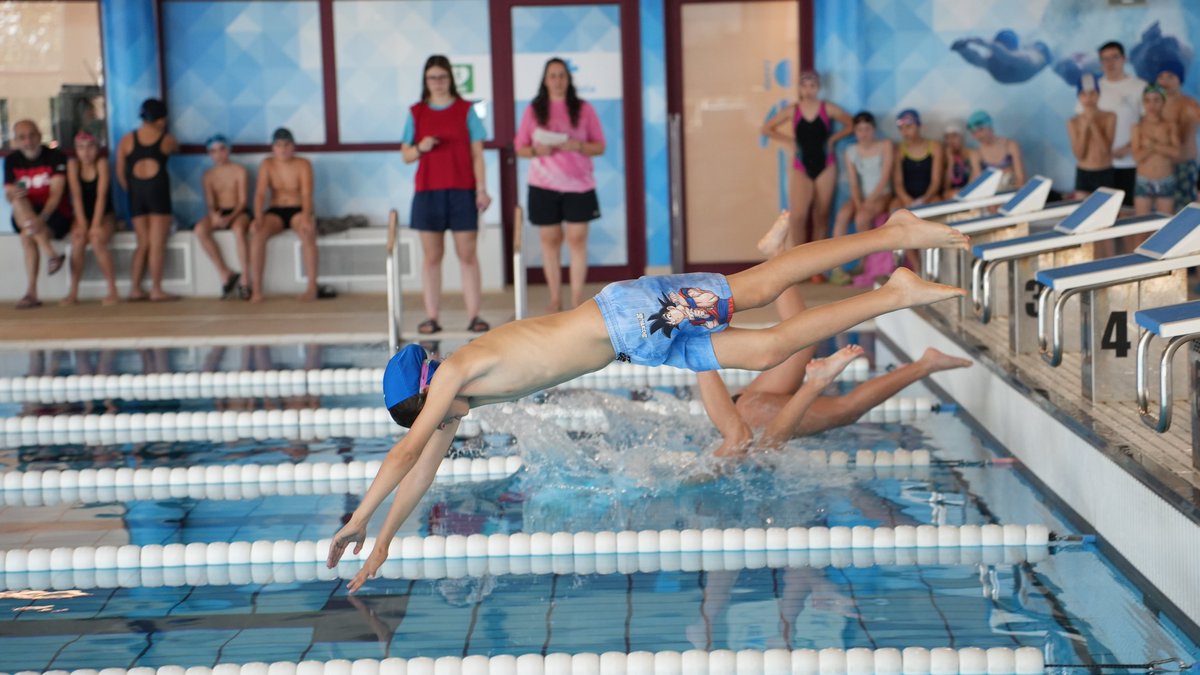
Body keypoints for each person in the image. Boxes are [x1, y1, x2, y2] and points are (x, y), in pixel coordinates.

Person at [325, 209, 971, 591]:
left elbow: (407, 451)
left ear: (423, 388)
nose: (441, 424)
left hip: (633, 314)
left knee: (763, 283)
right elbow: (423, 466)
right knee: (770, 349)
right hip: (639, 343)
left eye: (426, 413)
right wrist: (383, 543)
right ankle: (894, 293)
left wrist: (357, 518)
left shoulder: (455, 372)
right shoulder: (456, 393)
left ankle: (892, 234)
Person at [697, 229, 971, 457]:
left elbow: (752, 444)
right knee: (797, 341)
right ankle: (775, 253)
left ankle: (926, 363)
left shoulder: (723, 463)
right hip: (743, 405)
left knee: (845, 409)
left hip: (752, 419)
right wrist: (696, 337)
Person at [403, 54, 492, 334]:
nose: (438, 83)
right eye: (433, 78)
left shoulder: (467, 110)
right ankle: (432, 317)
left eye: (442, 77)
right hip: (428, 191)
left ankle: (474, 315)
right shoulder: (416, 112)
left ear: (450, 79)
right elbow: (406, 154)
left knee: (467, 255)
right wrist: (421, 147)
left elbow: (478, 154)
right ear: (425, 81)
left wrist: (481, 188)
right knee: (432, 257)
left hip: (462, 190)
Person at [514, 57, 606, 313]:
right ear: (545, 80)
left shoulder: (584, 109)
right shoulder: (534, 110)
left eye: (562, 75)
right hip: (543, 185)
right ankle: (555, 298)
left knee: (577, 240)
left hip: (579, 185)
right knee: (550, 241)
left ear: (569, 78)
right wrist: (536, 149)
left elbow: (599, 146)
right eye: (552, 75)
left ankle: (577, 298)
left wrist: (578, 145)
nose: (557, 80)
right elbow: (520, 148)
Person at [761, 71, 853, 257]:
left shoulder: (827, 108)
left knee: (821, 215)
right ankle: (798, 260)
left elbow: (851, 124)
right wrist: (789, 141)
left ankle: (817, 265)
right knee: (798, 216)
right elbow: (766, 128)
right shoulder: (792, 110)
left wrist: (833, 138)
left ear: (818, 87)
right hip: (801, 165)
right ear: (799, 88)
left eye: (813, 86)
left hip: (826, 164)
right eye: (805, 86)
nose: (809, 90)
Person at [250, 127, 323, 303]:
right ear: (273, 148)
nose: (283, 149)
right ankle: (257, 290)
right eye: (279, 145)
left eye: (287, 144)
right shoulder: (267, 164)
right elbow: (260, 194)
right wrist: (258, 217)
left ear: (293, 146)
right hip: (275, 210)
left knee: (307, 232)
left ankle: (312, 287)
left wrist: (306, 216)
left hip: (298, 208)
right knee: (257, 234)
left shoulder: (303, 164)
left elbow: (306, 194)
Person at [4, 119, 71, 309]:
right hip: (25, 213)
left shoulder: (55, 156)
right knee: (18, 199)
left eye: (31, 135)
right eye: (22, 137)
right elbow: (9, 195)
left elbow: (56, 194)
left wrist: (41, 220)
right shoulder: (12, 160)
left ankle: (31, 293)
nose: (28, 141)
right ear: (16, 141)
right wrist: (13, 195)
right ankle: (51, 254)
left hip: (53, 215)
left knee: (27, 235)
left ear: (40, 136)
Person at [116, 98, 178, 302]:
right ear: (160, 119)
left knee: (142, 242)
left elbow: (120, 172)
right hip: (157, 190)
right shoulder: (166, 139)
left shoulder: (126, 140)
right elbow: (175, 148)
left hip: (136, 192)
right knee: (157, 243)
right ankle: (156, 289)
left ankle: (134, 288)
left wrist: (132, 191)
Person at [827, 112, 892, 284]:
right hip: (861, 196)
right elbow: (854, 183)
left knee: (862, 218)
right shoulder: (851, 151)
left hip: (882, 194)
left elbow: (885, 177)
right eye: (860, 129)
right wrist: (859, 203)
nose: (864, 133)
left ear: (874, 130)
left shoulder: (885, 145)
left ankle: (864, 263)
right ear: (855, 131)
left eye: (867, 129)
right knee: (842, 215)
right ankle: (836, 267)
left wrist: (869, 202)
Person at [64, 131, 118, 305]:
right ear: (76, 151)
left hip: (104, 215)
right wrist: (82, 224)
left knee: (96, 239)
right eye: (81, 148)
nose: (85, 152)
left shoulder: (102, 163)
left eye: (89, 147)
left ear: (96, 149)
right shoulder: (73, 165)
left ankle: (112, 290)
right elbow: (76, 196)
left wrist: (94, 225)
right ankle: (73, 291)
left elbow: (101, 196)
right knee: (78, 240)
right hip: (82, 215)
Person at [193, 134, 251, 299]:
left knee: (239, 230)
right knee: (200, 229)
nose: (218, 154)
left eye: (221, 149)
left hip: (238, 211)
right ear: (210, 154)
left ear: (228, 150)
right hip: (220, 212)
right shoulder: (208, 175)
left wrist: (231, 217)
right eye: (213, 151)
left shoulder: (239, 171)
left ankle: (245, 279)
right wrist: (214, 215)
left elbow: (243, 201)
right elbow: (210, 203)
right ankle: (225, 273)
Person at [1094, 41, 1147, 206]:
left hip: (1131, 162)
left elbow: (1148, 124)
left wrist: (1129, 147)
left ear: (1124, 59)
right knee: (1101, 214)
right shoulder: (1094, 89)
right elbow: (1086, 122)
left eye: (1114, 57)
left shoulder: (1140, 86)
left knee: (1129, 215)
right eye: (1105, 59)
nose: (1110, 63)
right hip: (1101, 164)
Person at [1157, 60, 1200, 210]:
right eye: (1161, 76)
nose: (1165, 81)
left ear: (1179, 79)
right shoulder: (1154, 105)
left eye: (1170, 76)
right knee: (1162, 217)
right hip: (1161, 168)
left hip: (1184, 167)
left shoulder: (1188, 104)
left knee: (1185, 214)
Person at [1132, 84, 1181, 216]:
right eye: (1147, 100)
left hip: (1165, 179)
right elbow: (1137, 157)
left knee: (1164, 227)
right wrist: (1161, 147)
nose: (1151, 105)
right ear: (1143, 103)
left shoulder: (1170, 125)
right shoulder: (1138, 127)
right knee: (1140, 228)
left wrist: (1152, 145)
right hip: (1144, 181)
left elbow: (1177, 153)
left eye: (1156, 100)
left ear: (1163, 102)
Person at [1067, 73, 1116, 200]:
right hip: (1084, 172)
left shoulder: (1110, 117)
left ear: (1098, 95)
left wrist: (1093, 124)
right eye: (1084, 94)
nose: (1088, 98)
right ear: (1079, 96)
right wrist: (1084, 128)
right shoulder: (1073, 122)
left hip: (1104, 171)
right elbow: (1079, 155)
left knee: (1107, 215)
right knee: (1082, 216)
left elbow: (1106, 151)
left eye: (1092, 93)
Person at [890, 109, 942, 210]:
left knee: (937, 205)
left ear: (919, 126)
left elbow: (936, 181)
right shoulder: (899, 150)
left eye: (909, 127)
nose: (905, 132)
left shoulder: (935, 147)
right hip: (906, 197)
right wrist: (907, 200)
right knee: (894, 208)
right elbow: (898, 183)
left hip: (930, 196)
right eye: (901, 128)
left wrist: (925, 199)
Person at [966, 110, 1026, 190]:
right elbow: (979, 187)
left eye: (980, 130)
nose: (978, 136)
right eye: (974, 133)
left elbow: (1021, 179)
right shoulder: (976, 154)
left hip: (1012, 192)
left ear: (990, 127)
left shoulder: (1010, 145)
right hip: (991, 197)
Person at [941, 124, 980, 200]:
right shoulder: (945, 157)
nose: (950, 140)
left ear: (962, 137)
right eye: (947, 137)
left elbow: (977, 175)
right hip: (951, 194)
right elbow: (945, 187)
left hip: (969, 191)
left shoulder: (972, 154)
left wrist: (964, 192)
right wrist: (950, 162)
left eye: (954, 136)